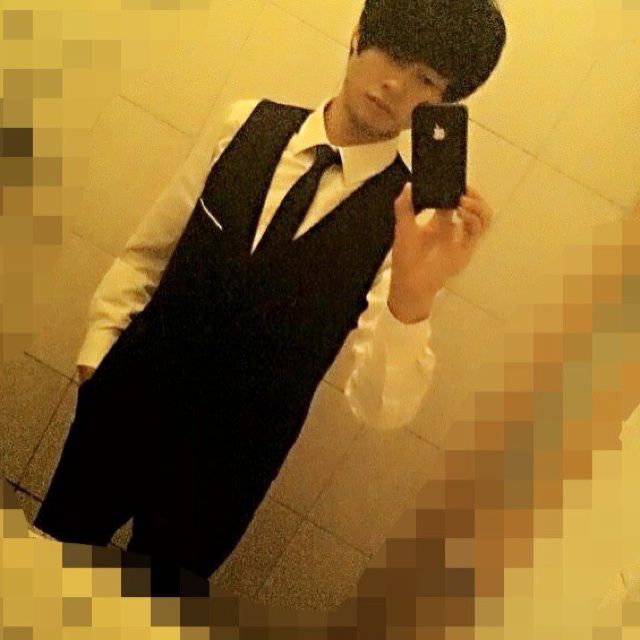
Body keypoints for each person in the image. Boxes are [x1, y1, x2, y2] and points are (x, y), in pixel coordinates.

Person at [34, 0, 506, 595]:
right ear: (359, 35)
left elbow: (379, 407)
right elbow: (149, 252)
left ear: (443, 106)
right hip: (122, 405)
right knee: (44, 581)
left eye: (426, 80)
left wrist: (414, 296)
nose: (395, 84)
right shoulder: (244, 123)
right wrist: (99, 356)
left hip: (227, 468)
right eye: (391, 53)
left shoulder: (407, 222)